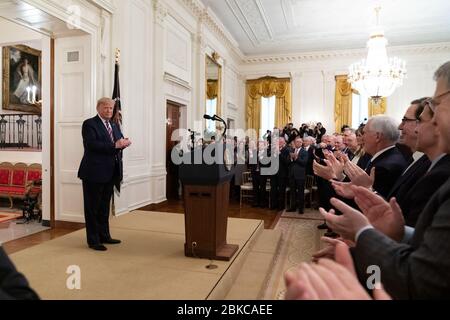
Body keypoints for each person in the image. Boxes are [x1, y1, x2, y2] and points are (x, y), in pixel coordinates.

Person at [319, 60, 450, 299]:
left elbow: (424, 277)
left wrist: (363, 234)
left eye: (437, 104)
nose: (404, 127)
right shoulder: (423, 162)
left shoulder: (397, 164)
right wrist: (397, 231)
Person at [78, 98, 132, 251]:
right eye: (106, 108)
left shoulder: (114, 124)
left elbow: (118, 141)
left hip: (111, 172)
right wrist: (115, 145)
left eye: (111, 108)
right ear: (98, 108)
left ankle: (105, 236)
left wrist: (124, 143)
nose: (109, 110)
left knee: (104, 207)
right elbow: (91, 145)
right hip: (93, 172)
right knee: (92, 208)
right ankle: (93, 241)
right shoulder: (89, 124)